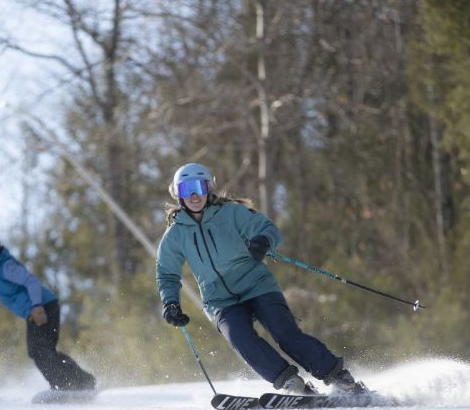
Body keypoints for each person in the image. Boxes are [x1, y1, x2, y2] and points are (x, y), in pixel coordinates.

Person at [155, 163, 368, 397]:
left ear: (209, 188)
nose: (194, 195)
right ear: (178, 194)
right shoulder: (175, 235)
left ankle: (338, 376)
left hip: (256, 284)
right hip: (219, 298)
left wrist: (263, 241)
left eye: (198, 187)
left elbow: (268, 229)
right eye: (187, 190)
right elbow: (167, 273)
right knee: (239, 338)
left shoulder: (232, 213)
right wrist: (170, 303)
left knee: (284, 332)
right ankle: (290, 382)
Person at [0, 235, 95, 392]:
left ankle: (69, 385)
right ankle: (80, 382)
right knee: (40, 351)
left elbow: (31, 281)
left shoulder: (6, 266)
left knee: (39, 350)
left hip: (43, 307)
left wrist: (37, 306)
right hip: (34, 312)